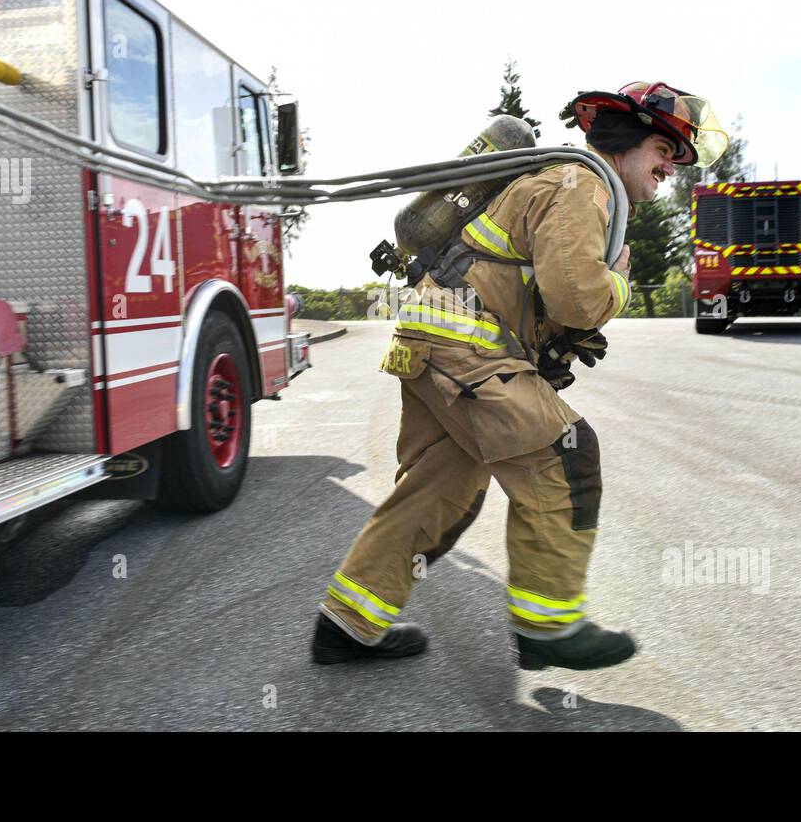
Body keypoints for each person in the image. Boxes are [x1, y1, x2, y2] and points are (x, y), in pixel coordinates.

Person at [311, 81, 728, 669]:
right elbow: (577, 297)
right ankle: (548, 626)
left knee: (441, 488)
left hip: (435, 345)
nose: (671, 166)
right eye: (665, 150)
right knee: (566, 454)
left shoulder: (558, 179)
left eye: (679, 158)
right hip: (466, 350)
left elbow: (529, 286)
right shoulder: (583, 184)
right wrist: (620, 286)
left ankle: (348, 624)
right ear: (630, 140)